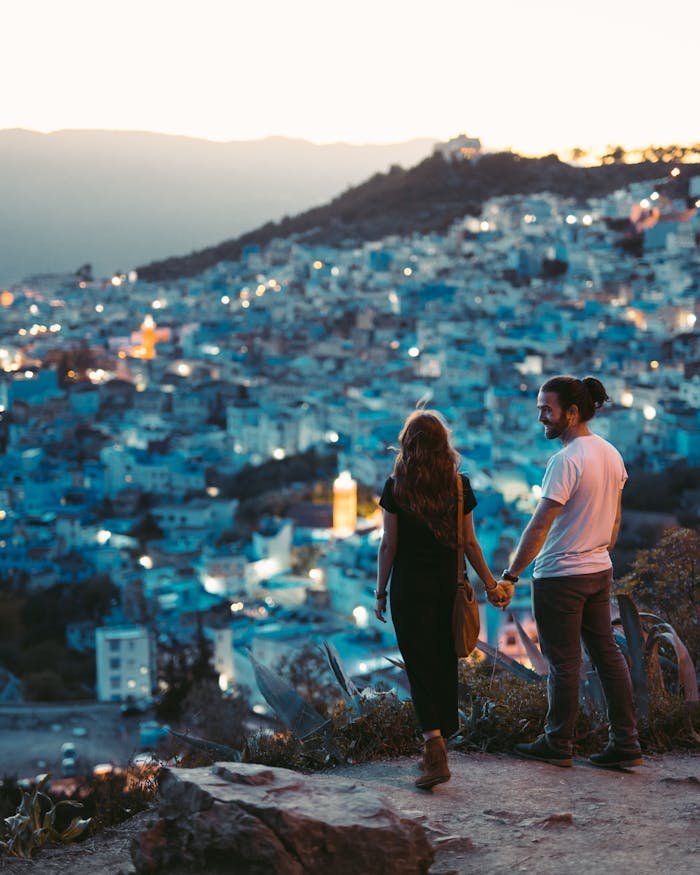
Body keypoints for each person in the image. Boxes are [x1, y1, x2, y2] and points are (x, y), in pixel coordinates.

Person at [495, 375, 641, 769]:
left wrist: (511, 576)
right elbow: (614, 523)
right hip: (598, 569)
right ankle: (625, 742)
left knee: (563, 663)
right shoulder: (611, 454)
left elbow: (540, 524)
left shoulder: (566, 460)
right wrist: (596, 553)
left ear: (572, 412)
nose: (541, 416)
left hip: (561, 575)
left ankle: (558, 741)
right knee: (609, 656)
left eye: (547, 409)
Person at [375, 410, 511, 789]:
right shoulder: (458, 485)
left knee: (417, 666)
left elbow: (389, 544)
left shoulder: (396, 486)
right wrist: (488, 583)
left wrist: (381, 590)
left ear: (408, 445)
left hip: (407, 588)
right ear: (442, 445)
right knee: (443, 661)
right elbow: (469, 542)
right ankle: (440, 741)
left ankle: (433, 746)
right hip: (446, 588)